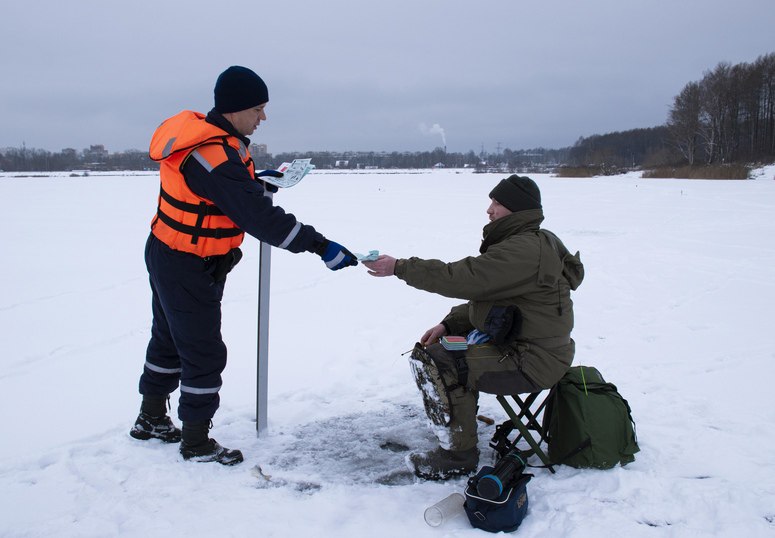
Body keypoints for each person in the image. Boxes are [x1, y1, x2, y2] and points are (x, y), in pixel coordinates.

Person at [129, 66, 357, 465]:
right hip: (186, 261)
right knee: (203, 350)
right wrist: (320, 245)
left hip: (174, 252)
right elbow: (260, 219)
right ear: (235, 110)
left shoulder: (218, 145)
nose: (263, 118)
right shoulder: (212, 156)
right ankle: (196, 442)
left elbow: (228, 191)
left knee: (168, 338)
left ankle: (151, 419)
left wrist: (254, 183)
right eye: (259, 109)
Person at [362, 175, 584, 480]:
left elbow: (463, 278)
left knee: (441, 362)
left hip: (532, 360)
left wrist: (399, 267)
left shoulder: (523, 251)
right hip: (529, 348)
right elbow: (488, 299)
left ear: (516, 211)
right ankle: (458, 422)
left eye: (497, 203)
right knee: (442, 350)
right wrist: (449, 324)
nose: (489, 210)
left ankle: (458, 456)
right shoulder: (530, 242)